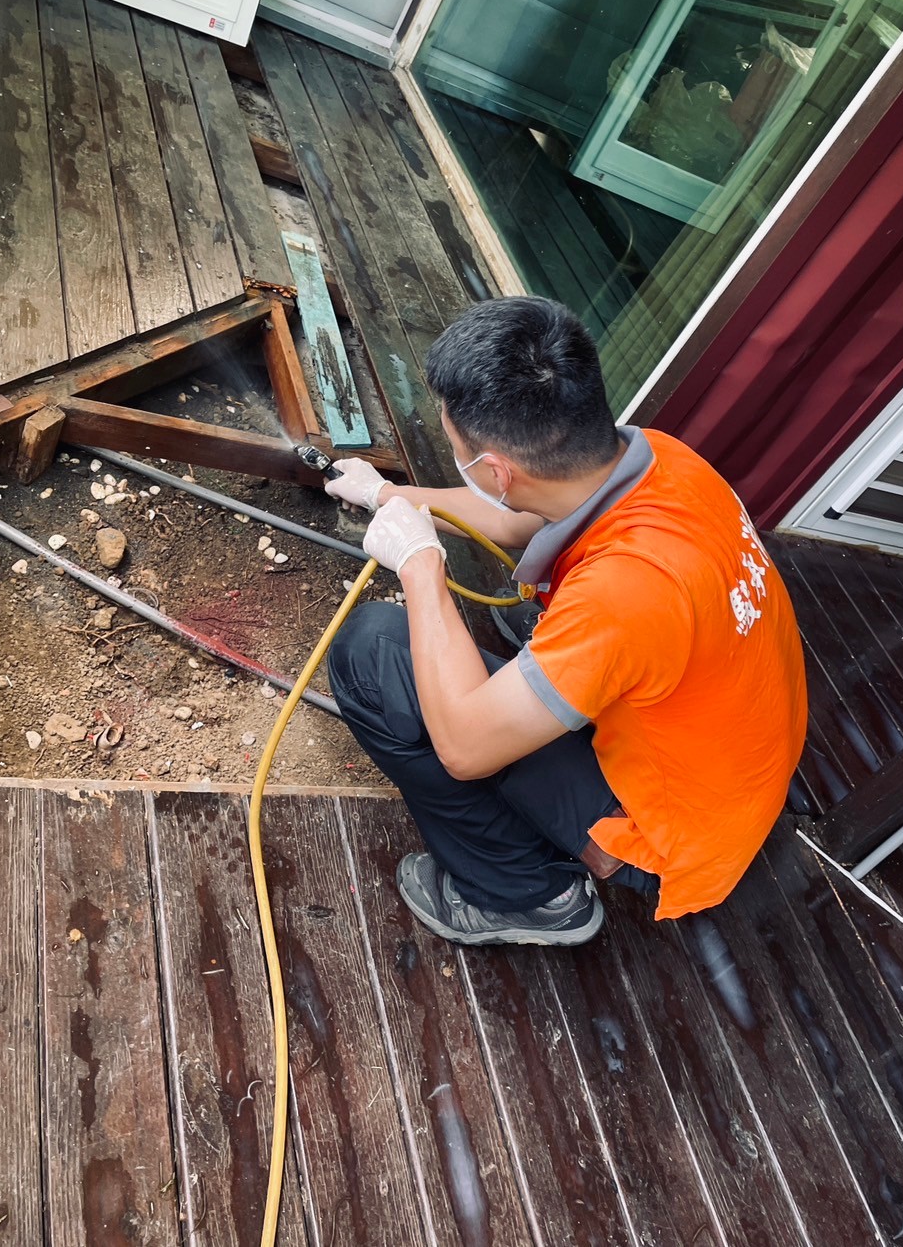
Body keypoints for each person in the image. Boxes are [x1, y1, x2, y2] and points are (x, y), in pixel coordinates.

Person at [325, 297, 808, 947]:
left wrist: (419, 565)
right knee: (528, 622)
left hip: (673, 833)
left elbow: (465, 749)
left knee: (373, 651)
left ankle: (527, 895)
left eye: (458, 447)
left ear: (496, 470)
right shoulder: (660, 459)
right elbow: (517, 513)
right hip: (733, 766)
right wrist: (386, 495)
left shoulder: (622, 595)